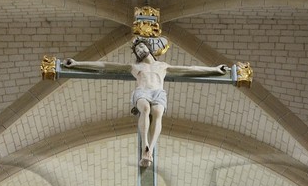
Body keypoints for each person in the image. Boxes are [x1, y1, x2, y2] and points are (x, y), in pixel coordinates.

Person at [61, 39, 231, 167]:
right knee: (145, 109)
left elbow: (191, 69)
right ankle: (145, 143)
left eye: (142, 47)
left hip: (158, 92)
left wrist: (214, 70)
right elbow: (105, 65)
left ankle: (150, 151)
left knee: (157, 113)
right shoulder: (134, 67)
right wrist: (77, 64)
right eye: (137, 49)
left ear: (149, 49)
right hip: (142, 91)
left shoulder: (163, 66)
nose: (140, 50)